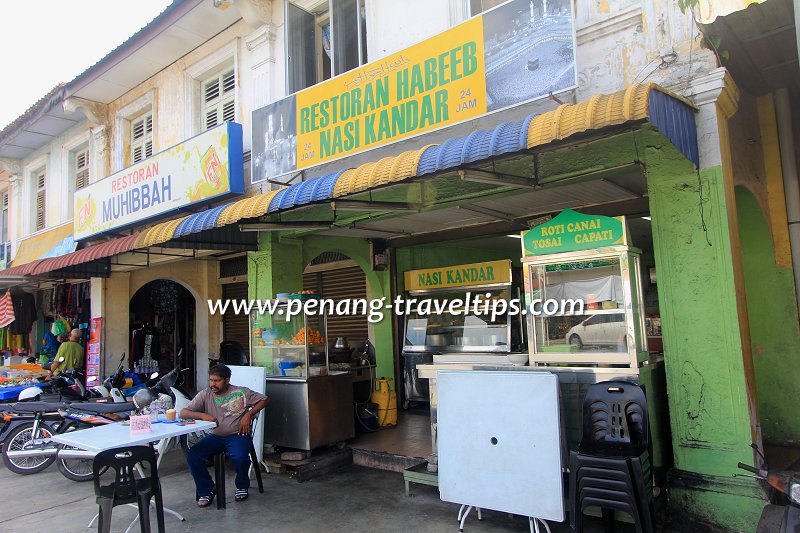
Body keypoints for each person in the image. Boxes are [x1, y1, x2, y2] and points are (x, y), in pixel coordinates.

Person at [181, 364, 269, 507]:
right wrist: (203, 415)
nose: (213, 384)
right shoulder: (205, 394)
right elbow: (184, 413)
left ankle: (242, 485)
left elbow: (264, 399)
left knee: (239, 457)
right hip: (216, 436)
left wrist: (248, 414)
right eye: (211, 380)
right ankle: (207, 489)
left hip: (238, 435)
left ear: (227, 380)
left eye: (217, 381)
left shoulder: (240, 393)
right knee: (193, 456)